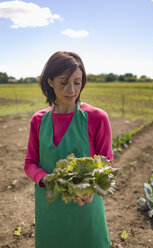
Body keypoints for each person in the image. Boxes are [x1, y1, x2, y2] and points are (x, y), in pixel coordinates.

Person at [24, 51, 113, 248]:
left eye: (77, 82)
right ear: (50, 81)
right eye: (63, 82)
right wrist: (44, 179)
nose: (71, 90)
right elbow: (30, 163)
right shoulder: (38, 120)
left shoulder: (97, 118)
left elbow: (107, 164)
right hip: (50, 210)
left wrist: (90, 189)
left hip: (86, 209)